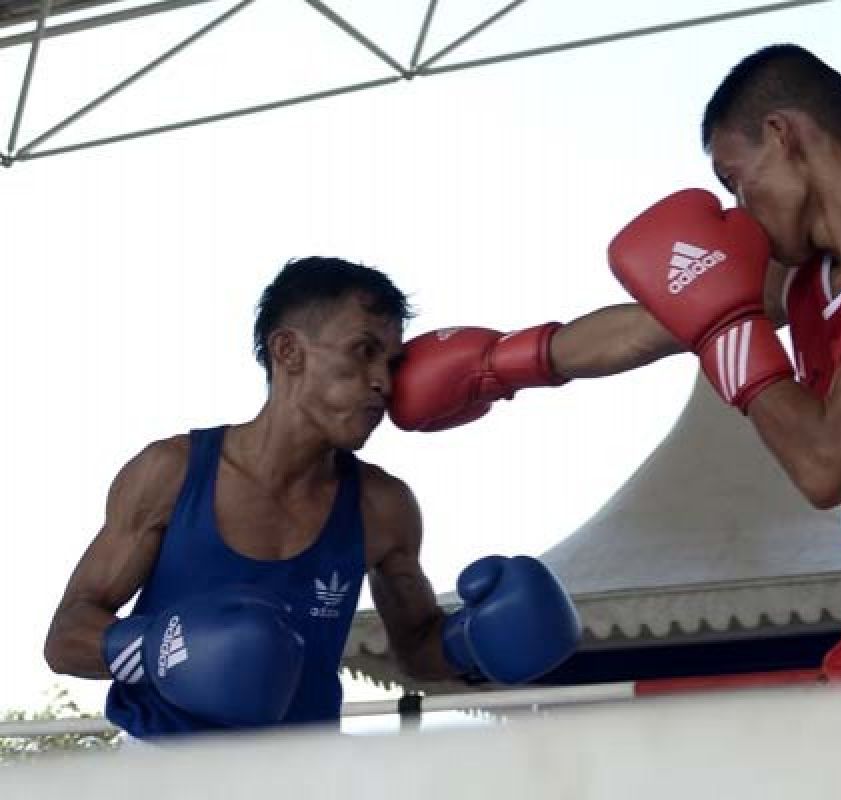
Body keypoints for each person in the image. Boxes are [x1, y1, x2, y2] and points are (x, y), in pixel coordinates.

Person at [389, 45, 841, 678]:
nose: (737, 205)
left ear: (783, 135)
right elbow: (650, 327)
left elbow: (826, 464)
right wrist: (499, 366)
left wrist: (728, 331)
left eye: (735, 177)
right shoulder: (807, 278)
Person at [44, 257, 581, 739]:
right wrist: (157, 647)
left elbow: (417, 647)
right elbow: (66, 636)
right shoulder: (173, 473)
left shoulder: (382, 505)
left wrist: (473, 643)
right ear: (288, 351)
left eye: (391, 363)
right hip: (164, 772)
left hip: (310, 773)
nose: (383, 384)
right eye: (364, 352)